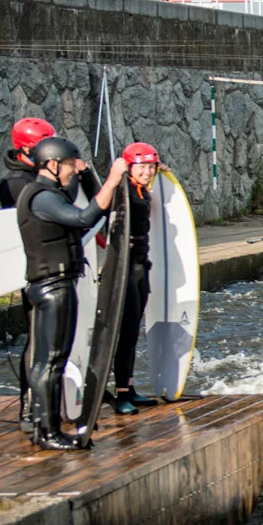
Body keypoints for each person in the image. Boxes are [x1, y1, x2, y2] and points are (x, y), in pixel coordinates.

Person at [17, 136, 128, 450]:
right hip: (53, 287)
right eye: (69, 164)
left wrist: (89, 174)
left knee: (46, 362)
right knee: (51, 362)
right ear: (52, 165)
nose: (74, 169)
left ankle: (42, 428)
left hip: (49, 284)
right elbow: (83, 218)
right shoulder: (43, 197)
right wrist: (112, 180)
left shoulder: (46, 192)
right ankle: (48, 431)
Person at [0, 117, 99, 431]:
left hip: (58, 267)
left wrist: (83, 172)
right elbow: (66, 203)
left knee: (54, 348)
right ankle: (31, 408)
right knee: (39, 347)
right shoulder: (17, 183)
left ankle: (51, 409)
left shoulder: (43, 178)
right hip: (39, 270)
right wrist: (73, 176)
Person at [107, 142, 162, 415]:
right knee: (126, 330)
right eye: (142, 167)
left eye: (151, 167)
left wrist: (162, 171)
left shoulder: (142, 189)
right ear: (129, 167)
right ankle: (120, 395)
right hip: (124, 267)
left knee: (133, 331)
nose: (147, 172)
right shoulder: (122, 189)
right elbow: (102, 212)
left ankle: (129, 388)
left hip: (141, 264)